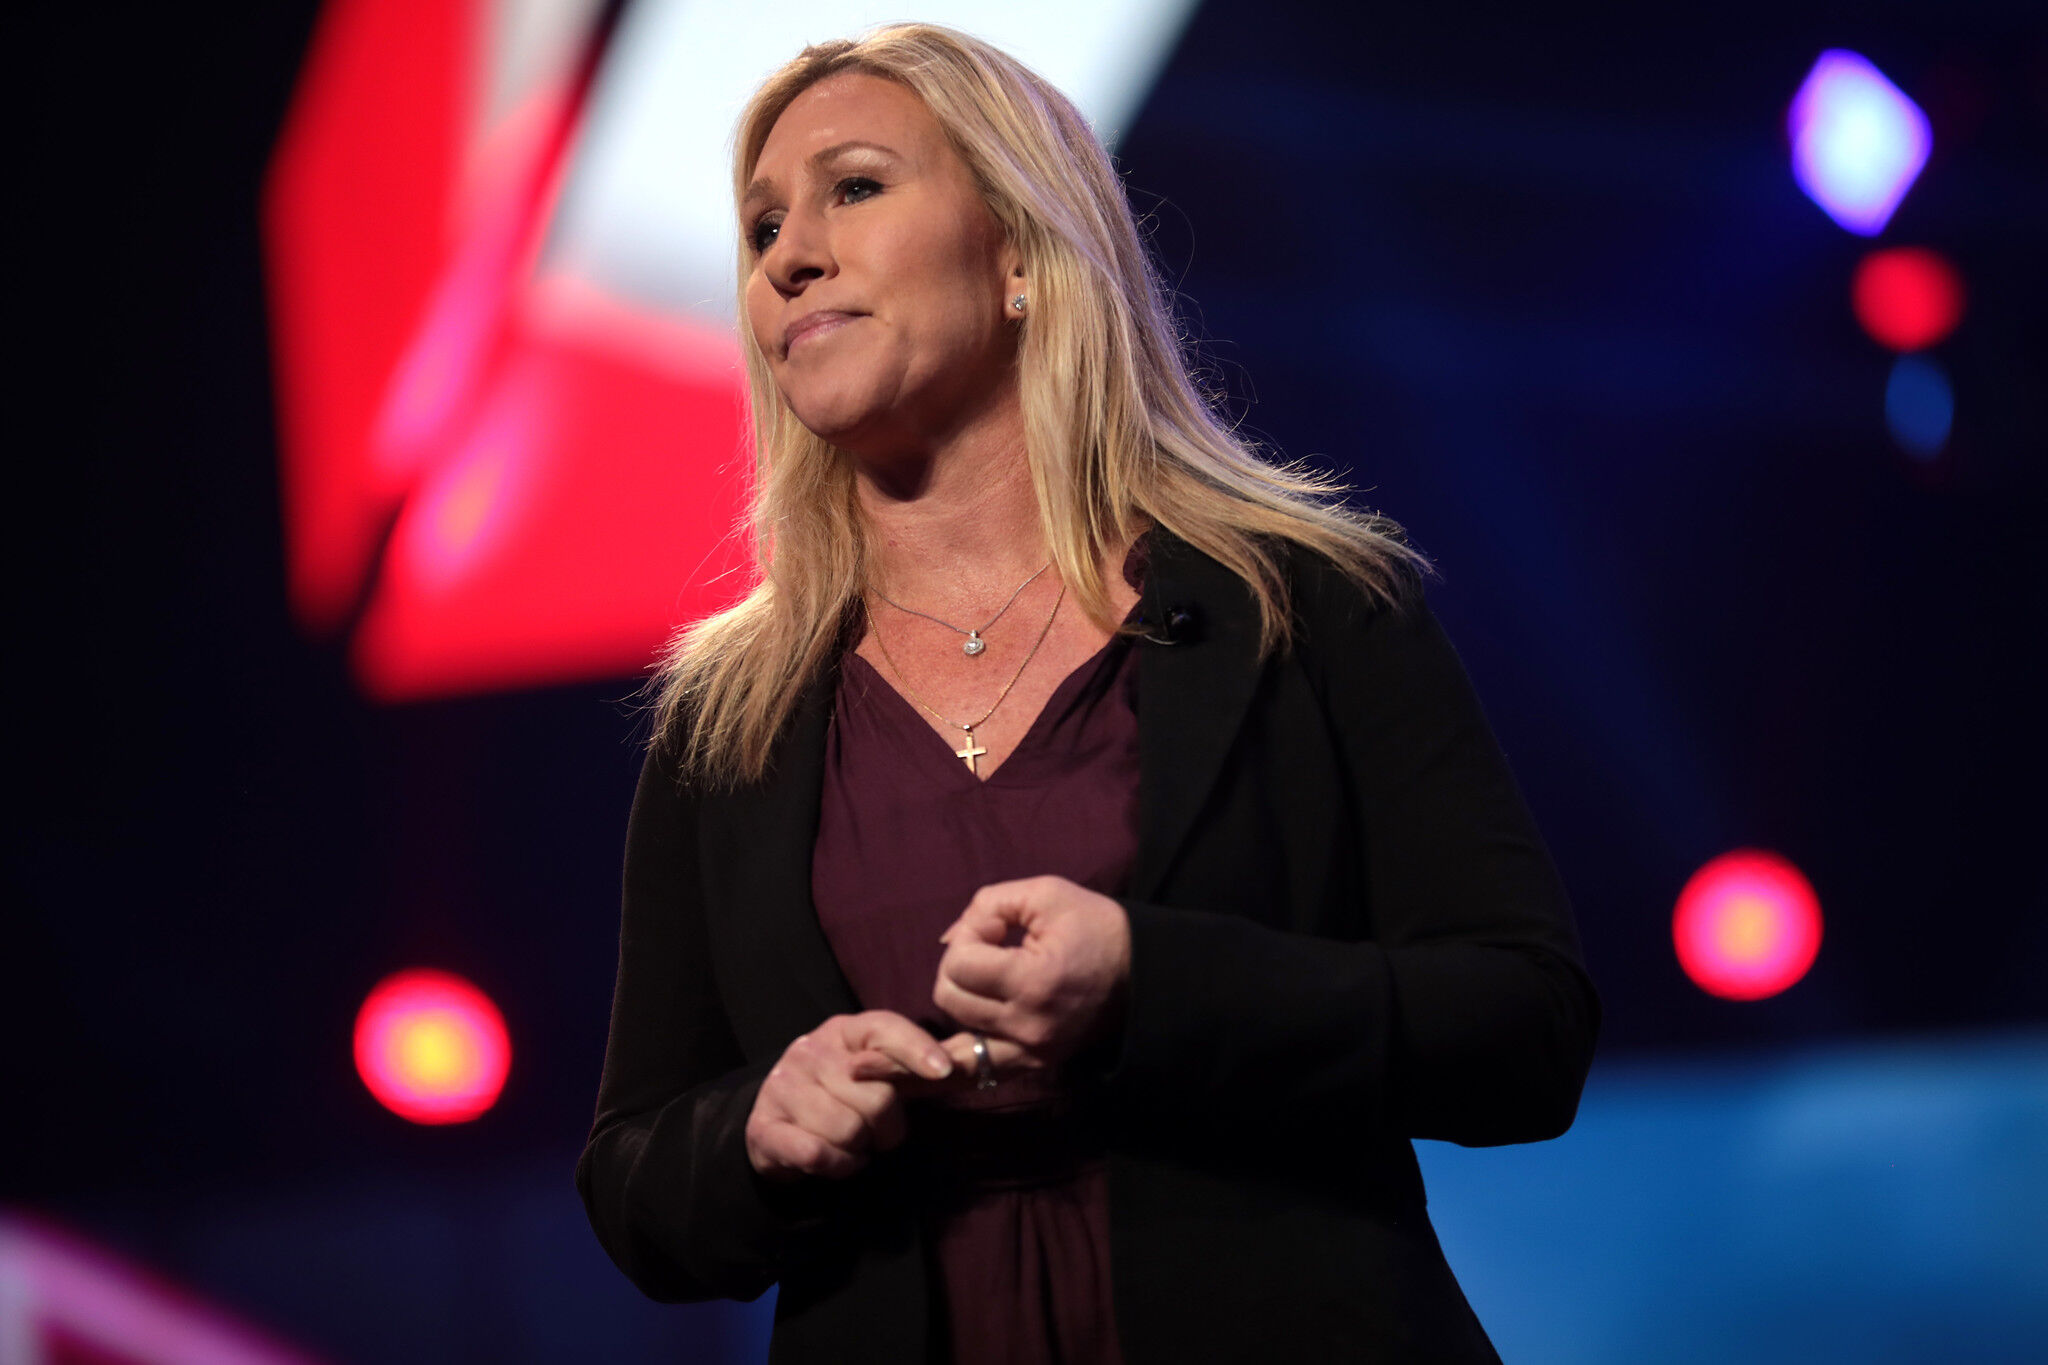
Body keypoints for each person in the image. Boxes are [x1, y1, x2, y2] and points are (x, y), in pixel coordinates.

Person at [575, 22, 1600, 1365]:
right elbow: (635, 1175)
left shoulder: (1303, 603)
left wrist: (1151, 984)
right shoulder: (730, 718)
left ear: (1017, 252)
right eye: (763, 223)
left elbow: (1524, 1031)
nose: (787, 253)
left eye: (857, 186)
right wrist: (760, 1127)